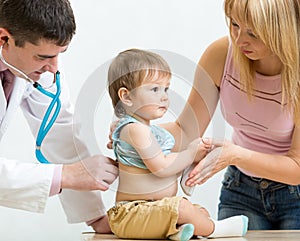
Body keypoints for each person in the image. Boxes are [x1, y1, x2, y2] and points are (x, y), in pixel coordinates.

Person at [166, 0, 300, 230]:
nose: (239, 40)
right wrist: (138, 131)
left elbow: (296, 167)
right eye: (235, 24)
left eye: (252, 33)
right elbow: (185, 130)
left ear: (282, 29)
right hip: (240, 189)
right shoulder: (221, 55)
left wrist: (235, 155)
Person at [0, 0, 118, 233]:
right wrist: (64, 175)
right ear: (4, 39)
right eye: (43, 57)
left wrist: (96, 218)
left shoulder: (37, 58)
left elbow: (60, 129)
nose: (53, 67)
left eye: (60, 55)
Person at [106, 48, 248, 240]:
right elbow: (162, 167)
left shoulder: (150, 131)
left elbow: (167, 158)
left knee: (199, 212)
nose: (164, 96)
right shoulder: (134, 130)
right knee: (182, 208)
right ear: (127, 96)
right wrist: (189, 153)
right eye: (155, 89)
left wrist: (194, 156)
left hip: (153, 209)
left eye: (166, 89)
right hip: (131, 213)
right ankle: (216, 230)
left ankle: (176, 231)